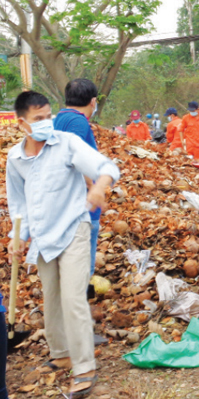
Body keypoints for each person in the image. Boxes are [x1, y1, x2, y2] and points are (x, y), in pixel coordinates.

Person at [6, 91, 120, 396]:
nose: (46, 124)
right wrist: (18, 236)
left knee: (72, 299)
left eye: (48, 117)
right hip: (44, 235)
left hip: (74, 228)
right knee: (52, 298)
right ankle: (60, 355)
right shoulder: (15, 159)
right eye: (38, 119)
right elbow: (19, 205)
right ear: (21, 124)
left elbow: (107, 166)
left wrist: (99, 188)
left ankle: (84, 367)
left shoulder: (66, 143)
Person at [53, 78, 102, 276]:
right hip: (81, 205)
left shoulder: (60, 118)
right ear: (93, 101)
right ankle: (78, 304)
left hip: (63, 202)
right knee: (82, 265)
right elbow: (75, 157)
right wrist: (92, 187)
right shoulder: (78, 122)